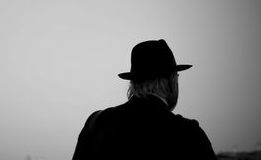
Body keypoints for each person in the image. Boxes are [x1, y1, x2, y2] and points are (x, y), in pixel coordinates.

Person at [72, 39, 217, 160]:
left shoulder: (96, 123)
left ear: (133, 82)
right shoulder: (189, 134)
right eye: (177, 77)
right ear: (172, 80)